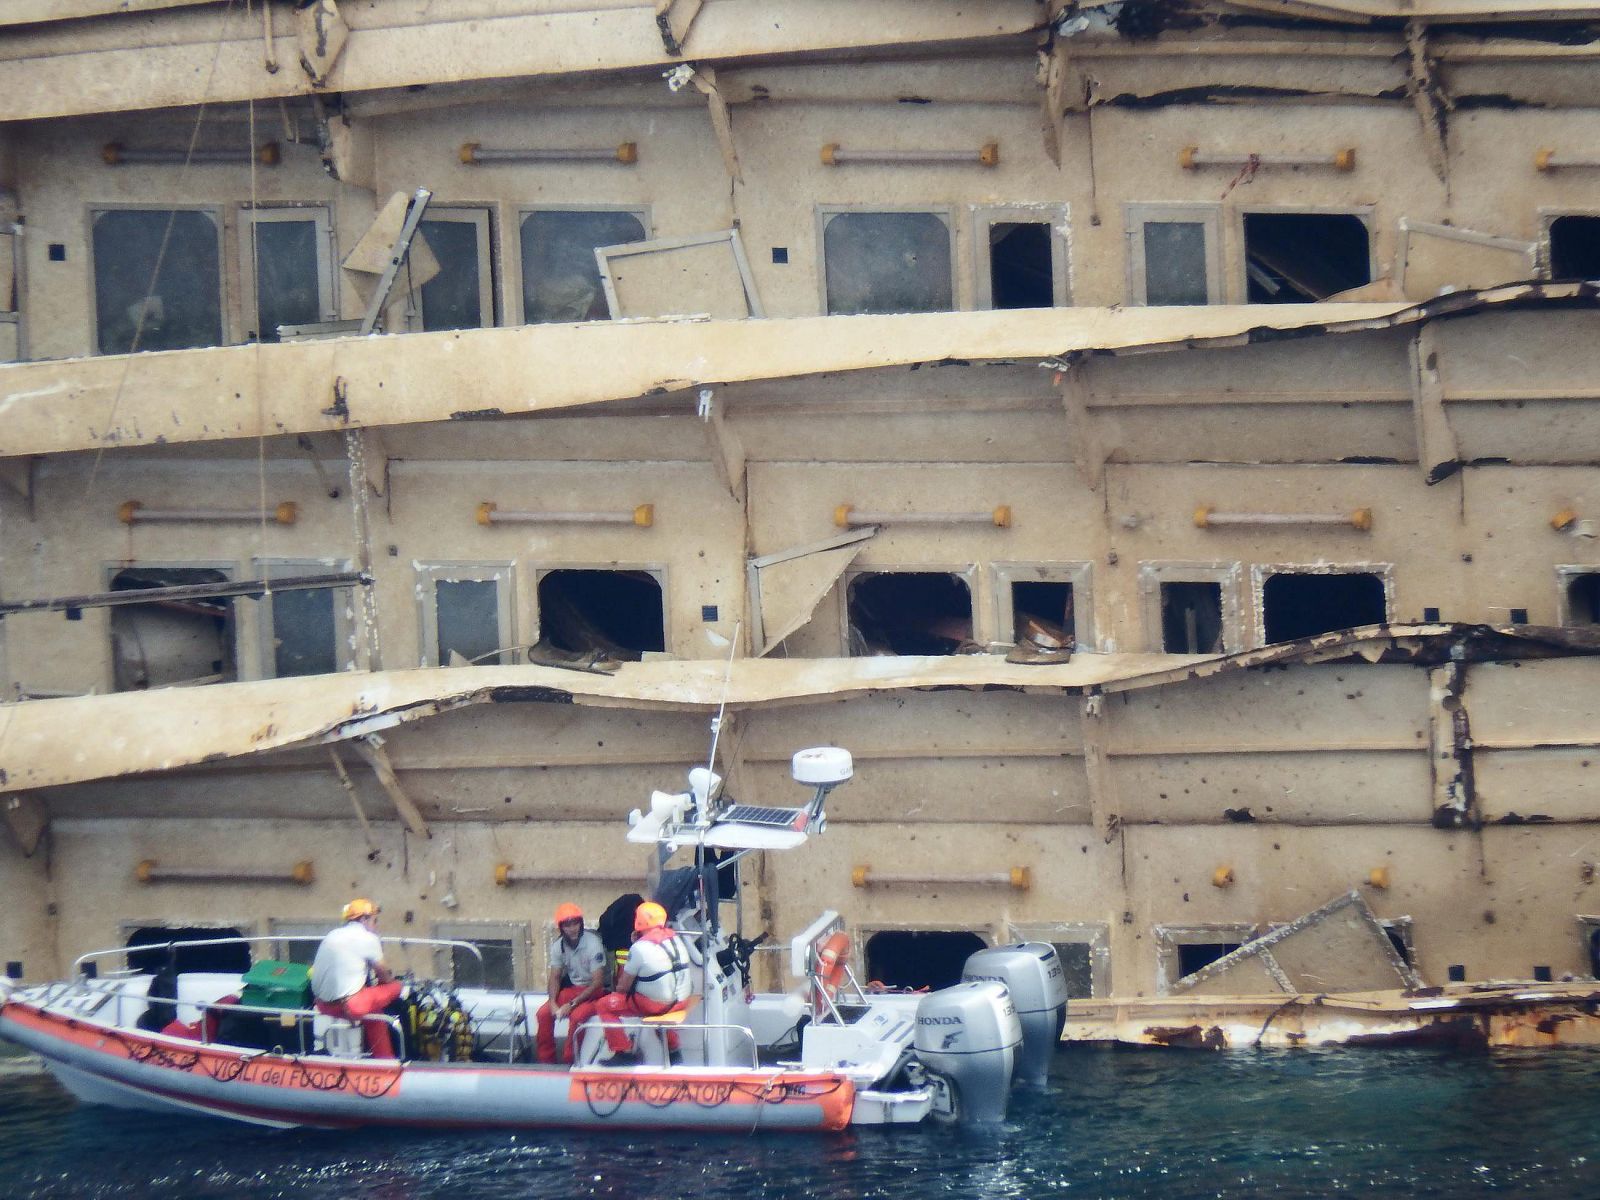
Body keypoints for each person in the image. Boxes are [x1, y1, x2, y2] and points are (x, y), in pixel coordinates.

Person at [592, 901, 693, 1058]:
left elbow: (622, 988)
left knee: (604, 1006)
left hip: (657, 1006)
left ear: (639, 921)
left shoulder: (639, 948)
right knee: (656, 1002)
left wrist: (634, 945)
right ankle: (674, 1050)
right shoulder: (676, 939)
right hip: (681, 1001)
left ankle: (622, 1051)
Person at [311, 897, 402, 1059]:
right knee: (396, 987)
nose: (376, 925)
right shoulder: (368, 938)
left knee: (375, 1013)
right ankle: (386, 1060)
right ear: (364, 919)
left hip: (322, 1004)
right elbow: (385, 975)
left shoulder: (332, 934)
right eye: (375, 920)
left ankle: (384, 1057)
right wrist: (389, 981)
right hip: (351, 1005)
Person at [534, 902, 609, 1064]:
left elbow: (597, 983)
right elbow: (554, 977)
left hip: (594, 994)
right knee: (543, 1014)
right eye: (567, 925)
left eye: (575, 923)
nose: (572, 928)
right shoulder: (557, 946)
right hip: (574, 990)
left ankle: (571, 1060)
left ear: (581, 924)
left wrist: (572, 1004)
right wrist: (553, 1003)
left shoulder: (593, 944)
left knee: (577, 1017)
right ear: (561, 928)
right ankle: (546, 1061)